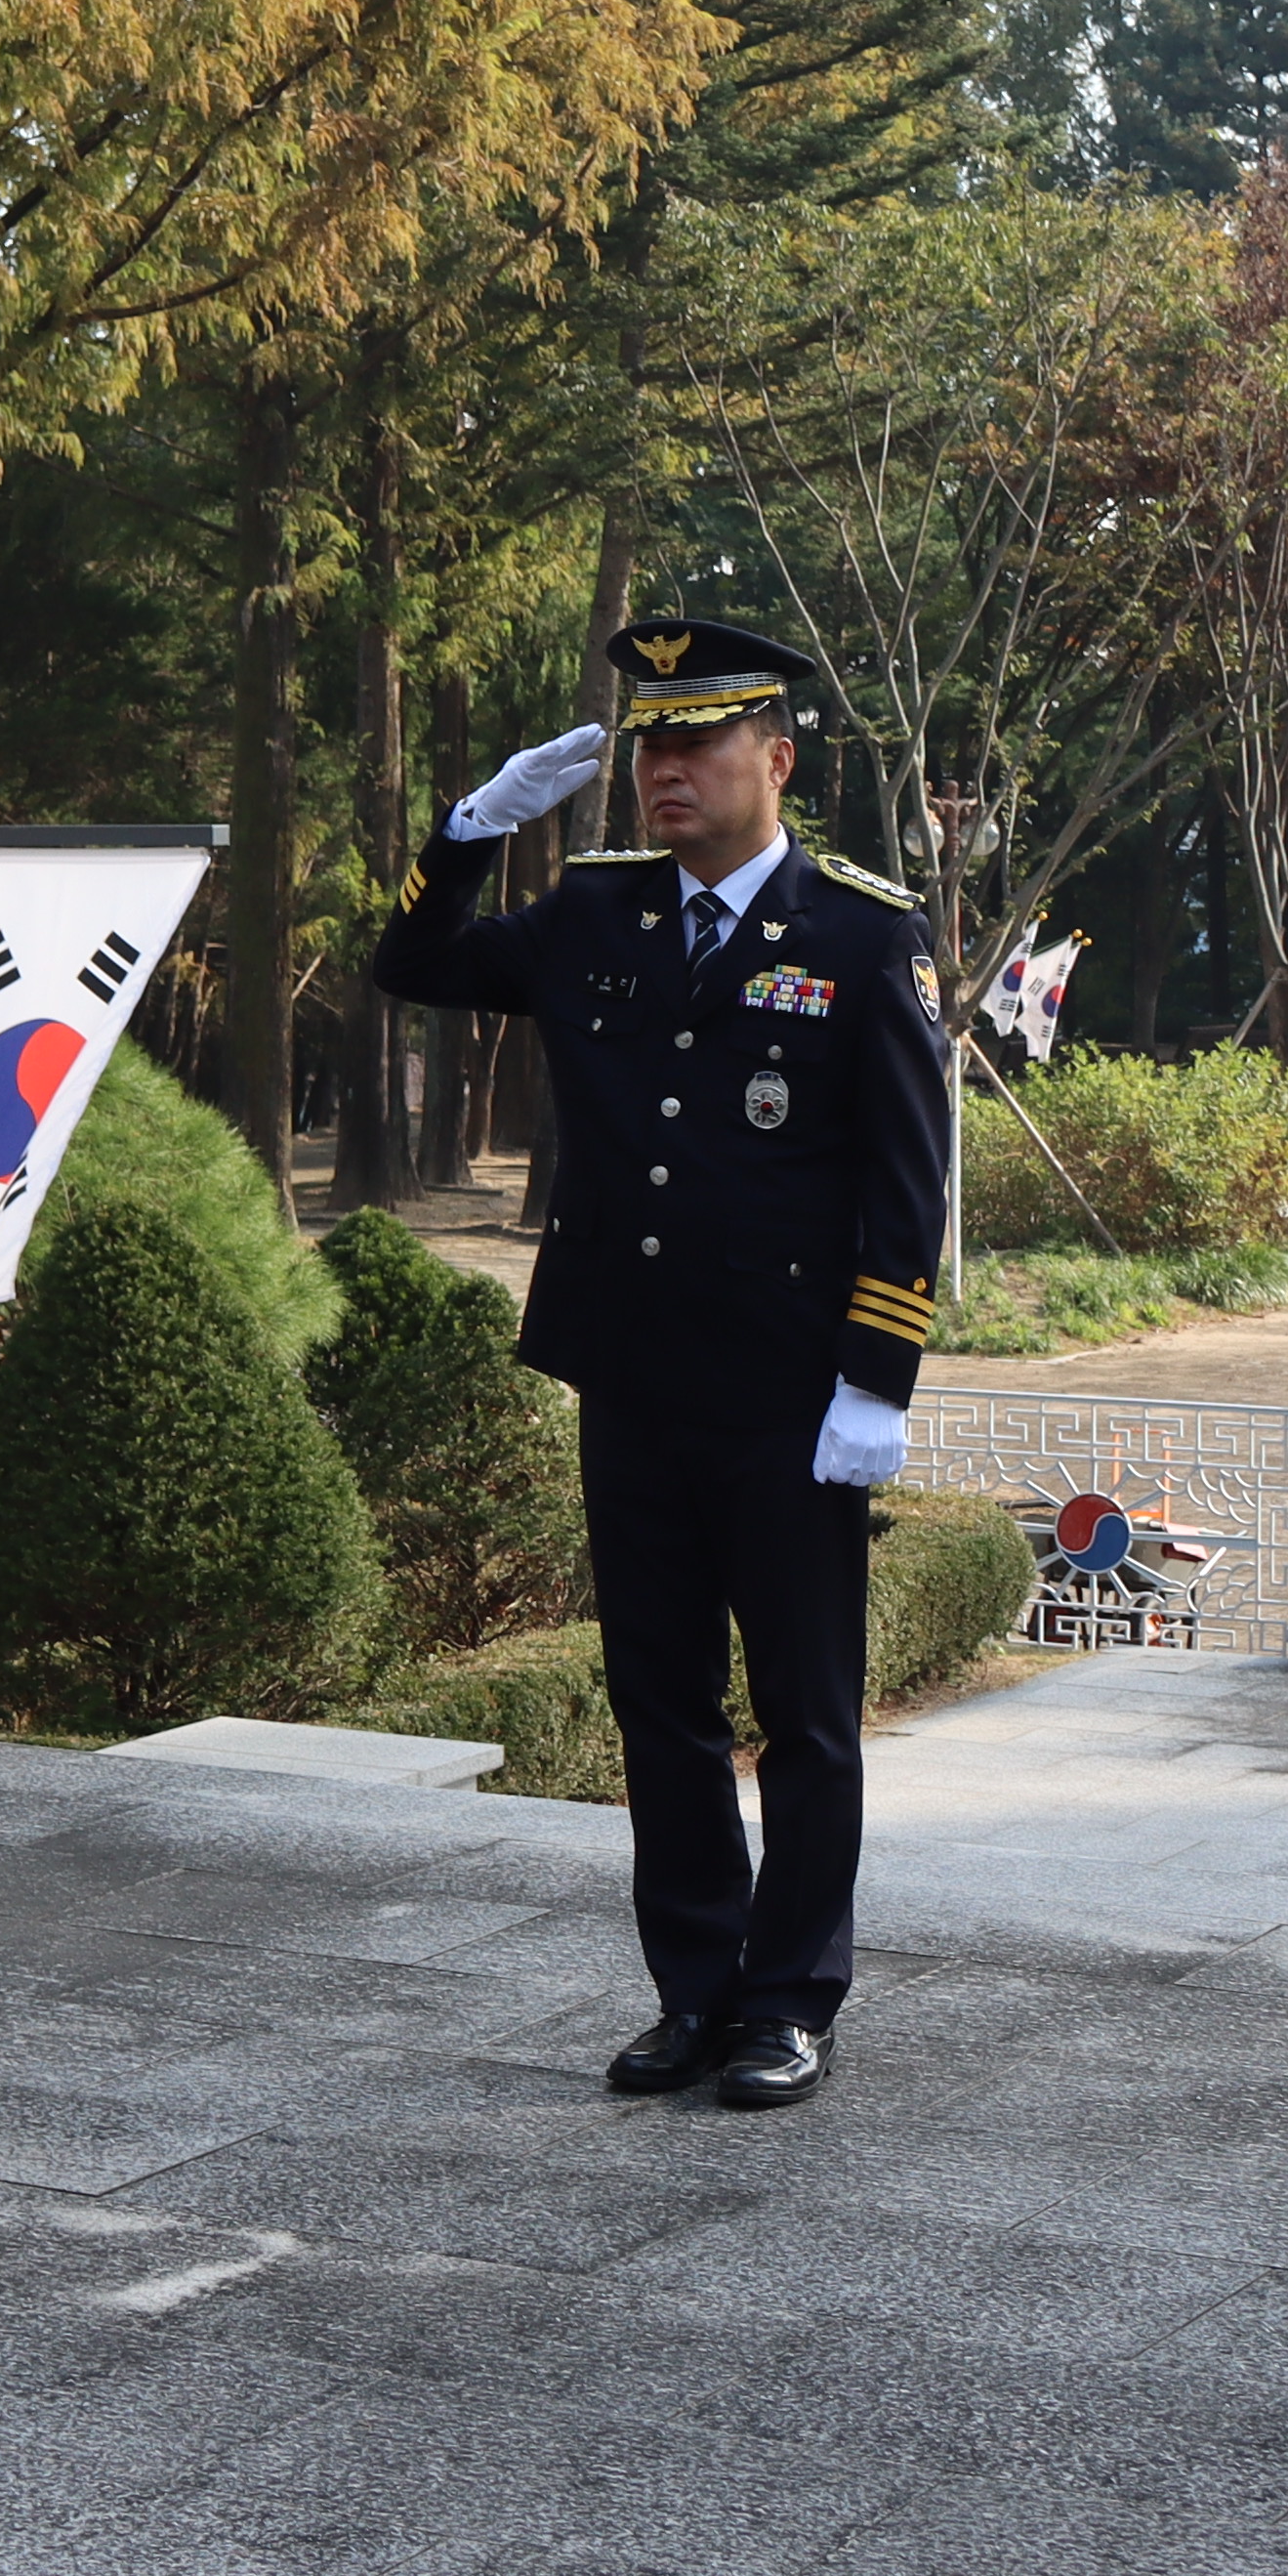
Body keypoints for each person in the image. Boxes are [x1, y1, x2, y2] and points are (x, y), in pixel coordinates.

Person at [368, 615, 951, 2112]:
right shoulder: (596, 915)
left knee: (809, 1715)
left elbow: (908, 1177)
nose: (666, 771)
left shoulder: (861, 933)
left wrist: (876, 1381)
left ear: (780, 759)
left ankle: (790, 1997)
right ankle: (695, 1989)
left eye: (698, 743)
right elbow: (415, 962)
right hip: (630, 1380)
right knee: (661, 1702)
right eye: (650, 746)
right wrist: (471, 833)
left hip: (789, 1395)